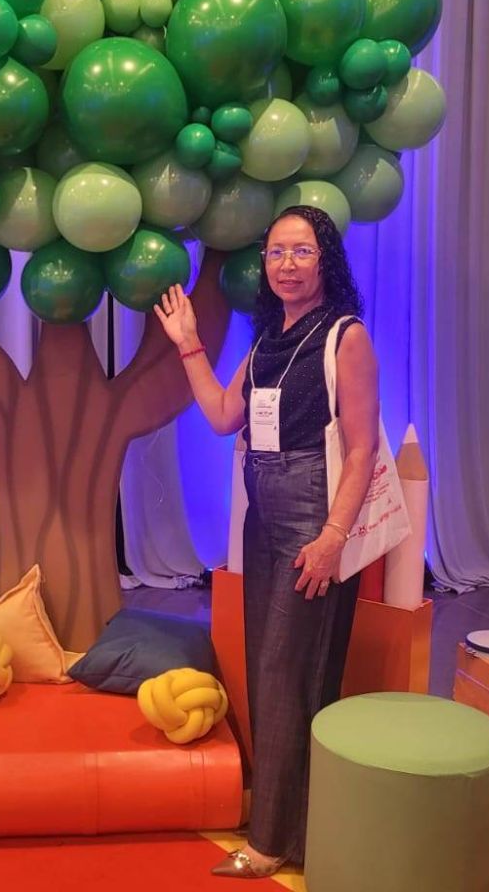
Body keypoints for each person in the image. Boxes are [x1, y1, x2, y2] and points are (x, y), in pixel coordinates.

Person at [155, 205, 379, 879]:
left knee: (289, 674)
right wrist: (188, 343)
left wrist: (333, 536)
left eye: (302, 251)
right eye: (276, 252)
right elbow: (225, 416)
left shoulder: (345, 336)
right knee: (270, 670)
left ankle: (271, 839)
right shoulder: (266, 342)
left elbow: (363, 447)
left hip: (313, 515)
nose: (287, 264)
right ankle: (297, 826)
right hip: (263, 514)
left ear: (326, 261)